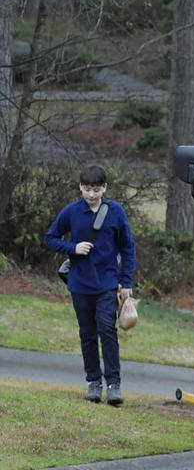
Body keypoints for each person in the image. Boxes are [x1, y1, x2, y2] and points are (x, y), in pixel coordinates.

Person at [45, 164, 136, 406]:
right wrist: (73, 248)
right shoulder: (71, 212)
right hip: (79, 284)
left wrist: (125, 281)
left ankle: (114, 385)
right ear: (80, 188)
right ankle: (93, 383)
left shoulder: (115, 212)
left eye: (96, 189)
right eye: (86, 189)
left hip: (107, 283)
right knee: (87, 335)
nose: (91, 194)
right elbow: (50, 238)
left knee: (107, 331)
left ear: (104, 188)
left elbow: (128, 248)